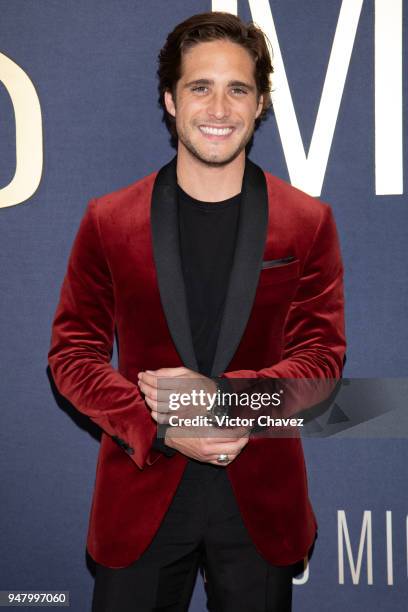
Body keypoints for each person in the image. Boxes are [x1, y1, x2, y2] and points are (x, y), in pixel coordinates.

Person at [48, 11, 346, 612]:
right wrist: (163, 425)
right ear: (169, 98)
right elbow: (72, 356)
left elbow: (321, 363)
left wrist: (220, 400)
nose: (219, 107)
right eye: (199, 87)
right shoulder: (109, 221)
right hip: (140, 499)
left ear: (260, 103)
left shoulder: (307, 222)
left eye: (237, 88)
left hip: (260, 501)